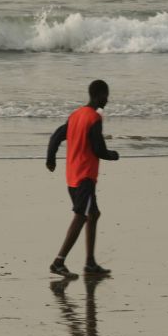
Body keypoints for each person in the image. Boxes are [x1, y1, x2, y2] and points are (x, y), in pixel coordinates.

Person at [46, 80, 120, 277]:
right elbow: (99, 150)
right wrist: (113, 154)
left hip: (72, 175)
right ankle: (58, 261)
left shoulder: (76, 115)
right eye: (106, 95)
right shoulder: (94, 118)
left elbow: (56, 136)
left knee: (93, 214)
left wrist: (50, 159)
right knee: (81, 216)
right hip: (85, 176)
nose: (107, 100)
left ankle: (90, 263)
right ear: (98, 95)